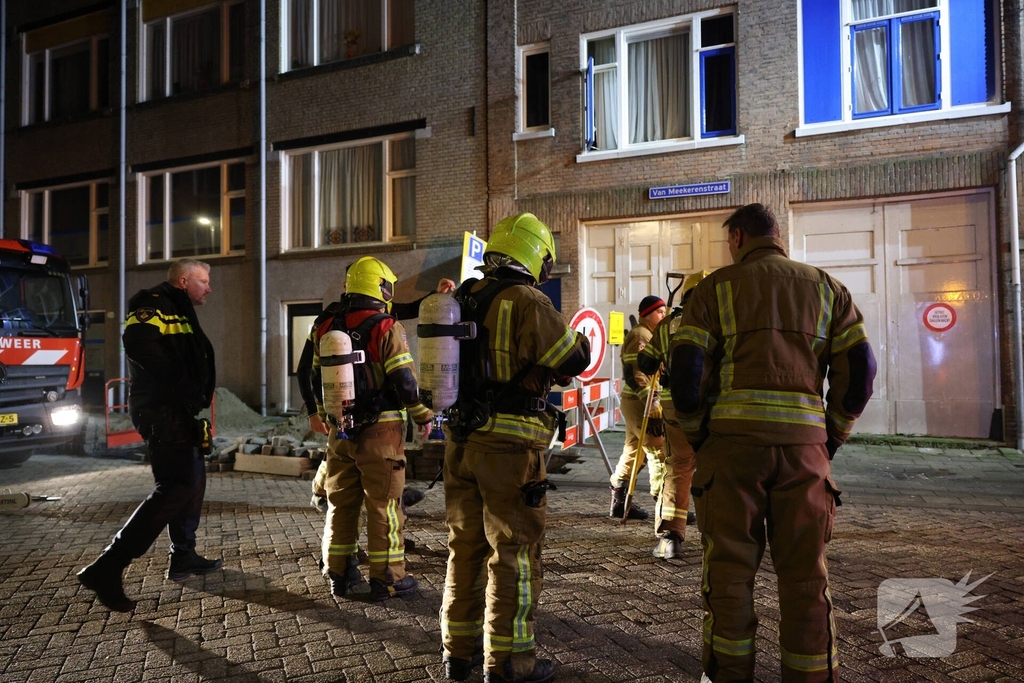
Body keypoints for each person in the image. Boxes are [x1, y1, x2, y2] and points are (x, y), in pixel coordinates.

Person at [669, 204, 876, 683]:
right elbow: (860, 372)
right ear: (777, 235)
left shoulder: (714, 289)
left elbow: (686, 376)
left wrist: (701, 436)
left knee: (729, 577)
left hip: (732, 455)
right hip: (805, 456)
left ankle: (729, 674)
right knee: (807, 581)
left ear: (738, 237)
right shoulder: (828, 289)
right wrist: (830, 436)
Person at [440, 213, 590, 683]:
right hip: (509, 447)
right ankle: (509, 663)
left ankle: (457, 653)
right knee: (515, 553)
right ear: (533, 254)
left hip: (460, 442)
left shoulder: (461, 297)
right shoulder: (526, 300)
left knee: (463, 547)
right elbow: (575, 357)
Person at [78, 259, 219, 612]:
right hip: (161, 410)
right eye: (204, 281)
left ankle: (183, 556)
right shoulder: (153, 304)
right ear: (184, 281)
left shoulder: (179, 306)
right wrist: (182, 383)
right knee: (175, 487)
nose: (209, 288)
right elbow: (139, 344)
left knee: (194, 479)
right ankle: (107, 567)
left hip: (176, 409)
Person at [311, 256, 435, 601]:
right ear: (381, 286)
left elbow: (312, 376)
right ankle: (388, 579)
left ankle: (339, 574)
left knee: (341, 504)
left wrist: (324, 414)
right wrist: (423, 415)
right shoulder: (385, 326)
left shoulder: (324, 326)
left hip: (340, 431)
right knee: (384, 507)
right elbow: (404, 379)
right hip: (381, 432)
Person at [300, 276, 456, 513]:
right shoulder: (330, 319)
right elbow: (307, 368)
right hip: (364, 412)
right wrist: (314, 411)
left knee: (346, 458)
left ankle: (335, 498)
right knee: (361, 468)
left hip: (351, 410)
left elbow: (405, 309)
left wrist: (435, 296)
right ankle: (322, 492)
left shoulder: (359, 316)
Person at [636, 271, 708, 559]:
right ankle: (720, 532)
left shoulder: (669, 324)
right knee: (715, 467)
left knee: (678, 466)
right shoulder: (724, 320)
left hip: (675, 406)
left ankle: (671, 537)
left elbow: (646, 362)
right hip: (714, 406)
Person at [608, 295, 667, 520]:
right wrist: (652, 403)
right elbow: (636, 373)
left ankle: (619, 502)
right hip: (641, 401)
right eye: (659, 312)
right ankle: (664, 505)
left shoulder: (649, 334)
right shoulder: (641, 335)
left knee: (634, 453)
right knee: (657, 450)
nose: (663, 316)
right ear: (647, 313)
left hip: (635, 401)